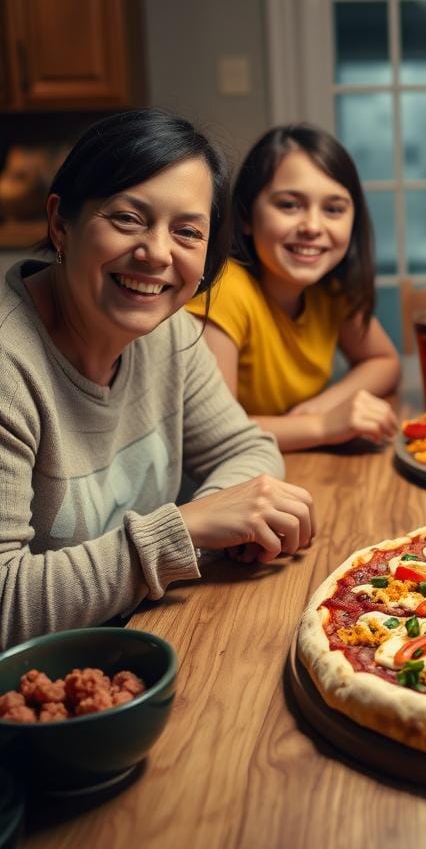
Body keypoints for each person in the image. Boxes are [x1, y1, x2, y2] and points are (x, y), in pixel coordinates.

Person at [0, 109, 315, 649]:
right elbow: (6, 603)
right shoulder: (10, 367)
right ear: (60, 223)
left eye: (187, 231)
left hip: (151, 636)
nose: (157, 254)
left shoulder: (167, 333)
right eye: (127, 218)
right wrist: (186, 529)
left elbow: (244, 447)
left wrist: (226, 517)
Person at [186, 125, 400, 452]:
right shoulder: (225, 292)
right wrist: (321, 425)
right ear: (246, 216)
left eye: (333, 209)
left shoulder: (330, 289)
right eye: (289, 205)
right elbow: (214, 433)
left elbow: (385, 361)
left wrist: (321, 406)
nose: (312, 227)